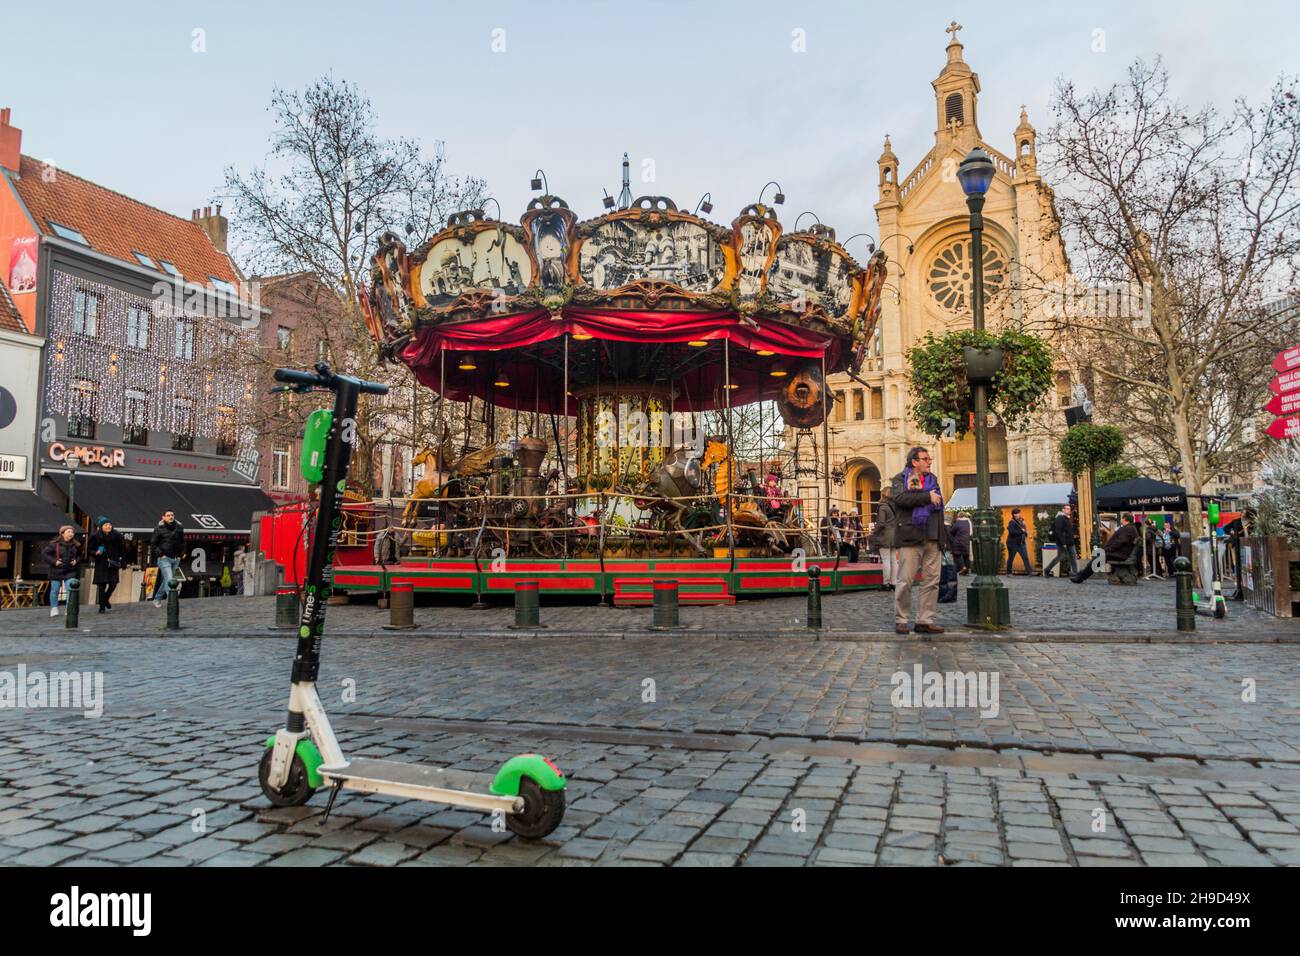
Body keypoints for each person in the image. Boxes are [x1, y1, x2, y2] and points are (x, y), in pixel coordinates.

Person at [890, 446, 947, 635]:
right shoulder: (900, 479)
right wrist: (927, 496)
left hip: (932, 536)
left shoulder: (933, 480)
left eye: (930, 459)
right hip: (911, 536)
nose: (929, 461)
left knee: (932, 581)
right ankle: (902, 619)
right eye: (925, 459)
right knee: (905, 580)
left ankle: (924, 620)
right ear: (914, 462)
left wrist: (942, 537)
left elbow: (939, 505)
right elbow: (900, 498)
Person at [1072, 513, 1138, 583]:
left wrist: (1109, 549)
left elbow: (1120, 542)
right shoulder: (1130, 528)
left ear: (1124, 519)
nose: (1121, 519)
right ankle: (1081, 575)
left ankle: (1081, 577)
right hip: (1120, 553)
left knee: (1098, 558)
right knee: (1097, 557)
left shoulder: (1127, 529)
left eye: (1122, 518)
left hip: (1120, 554)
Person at [87, 516, 126, 612]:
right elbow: (89, 549)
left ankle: (105, 599)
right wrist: (95, 553)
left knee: (113, 583)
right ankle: (102, 607)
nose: (108, 526)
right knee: (101, 585)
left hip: (113, 562)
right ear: (101, 527)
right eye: (106, 525)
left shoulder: (117, 536)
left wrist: (123, 561)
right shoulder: (95, 537)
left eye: (109, 524)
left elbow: (122, 550)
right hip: (101, 562)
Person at [42, 525, 81, 617]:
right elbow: (45, 553)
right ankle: (54, 608)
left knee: (70, 590)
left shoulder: (76, 545)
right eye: (69, 532)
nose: (71, 534)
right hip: (56, 570)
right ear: (62, 533)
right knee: (55, 590)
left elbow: (80, 555)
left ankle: (69, 608)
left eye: (72, 532)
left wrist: (76, 560)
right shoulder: (54, 544)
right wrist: (54, 561)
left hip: (70, 570)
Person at [149, 509, 186, 608]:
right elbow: (153, 544)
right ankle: (172, 602)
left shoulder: (179, 527)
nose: (171, 517)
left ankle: (157, 598)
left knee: (167, 580)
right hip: (164, 558)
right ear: (163, 517)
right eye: (168, 515)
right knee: (170, 580)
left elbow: (183, 541)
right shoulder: (159, 528)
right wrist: (161, 554)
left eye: (172, 515)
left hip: (175, 558)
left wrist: (181, 554)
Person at [870, 486, 898, 591]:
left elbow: (881, 523)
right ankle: (894, 583)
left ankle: (886, 583)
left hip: (885, 535)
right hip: (895, 535)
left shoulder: (883, 507)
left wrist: (874, 532)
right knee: (894, 560)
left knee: (886, 560)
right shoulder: (895, 506)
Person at [1042, 504, 1077, 578]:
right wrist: (1063, 542)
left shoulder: (1068, 518)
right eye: (1067, 509)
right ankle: (1047, 570)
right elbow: (1058, 531)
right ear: (1063, 510)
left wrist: (1073, 536)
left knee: (1073, 556)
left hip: (1070, 542)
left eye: (1069, 509)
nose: (1068, 510)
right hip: (1062, 542)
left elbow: (1068, 530)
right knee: (1060, 557)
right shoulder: (1060, 518)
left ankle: (1075, 572)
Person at [1005, 508, 1031, 574]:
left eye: (1019, 513)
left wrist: (1025, 533)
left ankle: (1029, 572)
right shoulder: (1012, 522)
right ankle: (1008, 572)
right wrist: (1021, 531)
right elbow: (1011, 531)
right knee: (1011, 558)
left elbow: (1023, 531)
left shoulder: (1022, 522)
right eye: (1017, 513)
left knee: (1025, 558)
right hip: (1012, 544)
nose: (1019, 514)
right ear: (1014, 515)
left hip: (1021, 543)